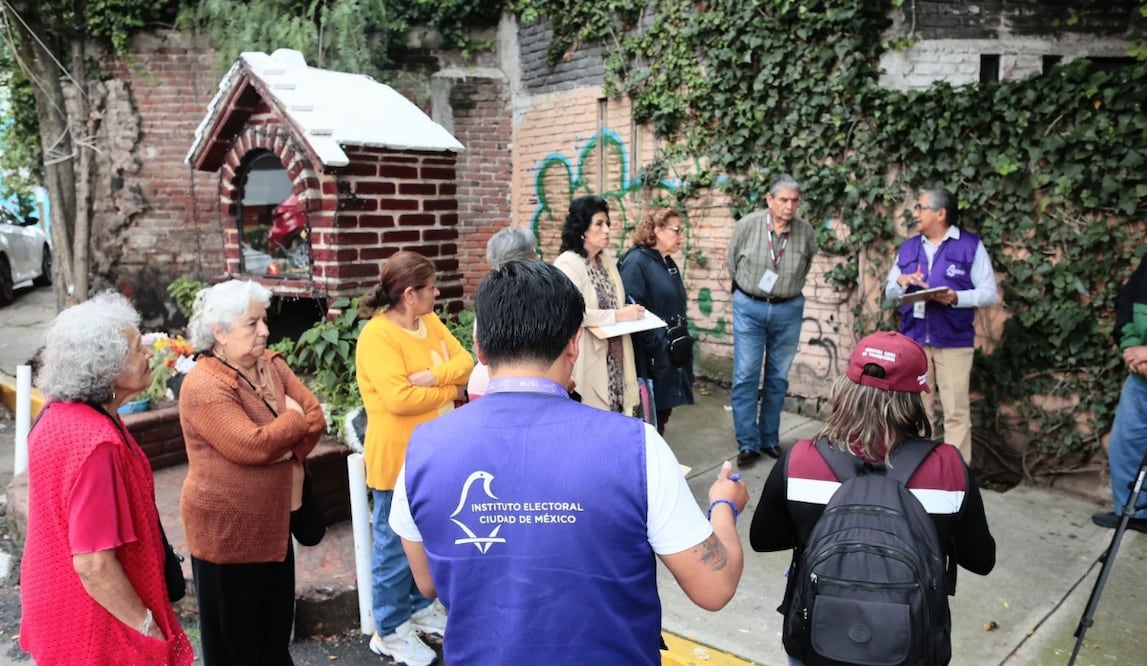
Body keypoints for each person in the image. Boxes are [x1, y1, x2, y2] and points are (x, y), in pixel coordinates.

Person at [389, 260, 749, 664]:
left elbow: (428, 582)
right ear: (574, 344)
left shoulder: (423, 450)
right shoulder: (637, 446)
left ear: (479, 348)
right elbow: (714, 587)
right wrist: (724, 504)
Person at [750, 331, 995, 665]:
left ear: (847, 388)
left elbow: (764, 539)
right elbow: (981, 560)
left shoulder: (801, 461)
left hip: (818, 641)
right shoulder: (948, 468)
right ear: (915, 398)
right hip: (910, 647)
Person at [20, 292, 194, 665]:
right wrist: (146, 628)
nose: (148, 354)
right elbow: (94, 565)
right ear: (107, 366)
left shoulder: (57, 413)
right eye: (136, 349)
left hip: (56, 600)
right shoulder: (96, 443)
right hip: (93, 621)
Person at [179, 279, 326, 665]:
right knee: (235, 648)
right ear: (220, 333)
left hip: (274, 528)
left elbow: (315, 417)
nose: (264, 331)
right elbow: (250, 445)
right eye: (252, 323)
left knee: (273, 640)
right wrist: (290, 425)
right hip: (227, 535)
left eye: (264, 321)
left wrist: (282, 448)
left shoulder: (272, 365)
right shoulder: (205, 384)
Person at [355, 250, 474, 666]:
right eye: (430, 287)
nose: (436, 293)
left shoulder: (431, 323)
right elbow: (398, 399)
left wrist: (433, 378)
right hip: (396, 459)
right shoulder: (378, 336)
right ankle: (388, 629)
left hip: (435, 454)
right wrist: (450, 391)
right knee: (392, 548)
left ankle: (418, 608)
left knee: (427, 538)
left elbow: (465, 361)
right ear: (410, 294)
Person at [885, 187, 999, 464]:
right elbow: (889, 291)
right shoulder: (909, 246)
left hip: (954, 341)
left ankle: (956, 474)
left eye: (920, 208)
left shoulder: (970, 245)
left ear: (940, 213)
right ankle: (916, 469)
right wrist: (901, 282)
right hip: (914, 342)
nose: (915, 214)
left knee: (956, 411)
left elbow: (989, 293)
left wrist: (956, 297)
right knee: (916, 411)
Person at [727, 174, 817, 465]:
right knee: (746, 375)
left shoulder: (805, 232)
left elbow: (806, 265)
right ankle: (748, 443)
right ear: (770, 200)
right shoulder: (748, 225)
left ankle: (769, 439)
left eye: (794, 201)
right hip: (749, 307)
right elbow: (732, 262)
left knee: (778, 377)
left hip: (788, 309)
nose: (789, 206)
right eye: (783, 200)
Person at [554, 194, 645, 414]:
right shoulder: (568, 264)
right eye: (599, 224)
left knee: (617, 413)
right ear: (582, 229)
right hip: (588, 355)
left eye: (607, 223)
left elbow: (617, 301)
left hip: (616, 354)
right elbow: (574, 312)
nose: (606, 230)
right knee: (594, 414)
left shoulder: (605, 261)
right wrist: (619, 315)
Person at [620, 207, 694, 435]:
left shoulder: (667, 262)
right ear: (657, 230)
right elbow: (632, 308)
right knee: (648, 419)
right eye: (676, 230)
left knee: (662, 416)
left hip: (670, 356)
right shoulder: (636, 262)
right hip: (650, 358)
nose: (681, 236)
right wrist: (659, 343)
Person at [1092, 253, 1147, 532]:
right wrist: (1132, 350)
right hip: (1141, 376)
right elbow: (1127, 304)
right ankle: (1135, 513)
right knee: (1125, 444)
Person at [468, 226, 538, 399]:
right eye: (533, 252)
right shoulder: (531, 298)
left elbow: (479, 347)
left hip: (483, 383)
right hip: (514, 388)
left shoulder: (486, 292)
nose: (538, 257)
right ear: (523, 260)